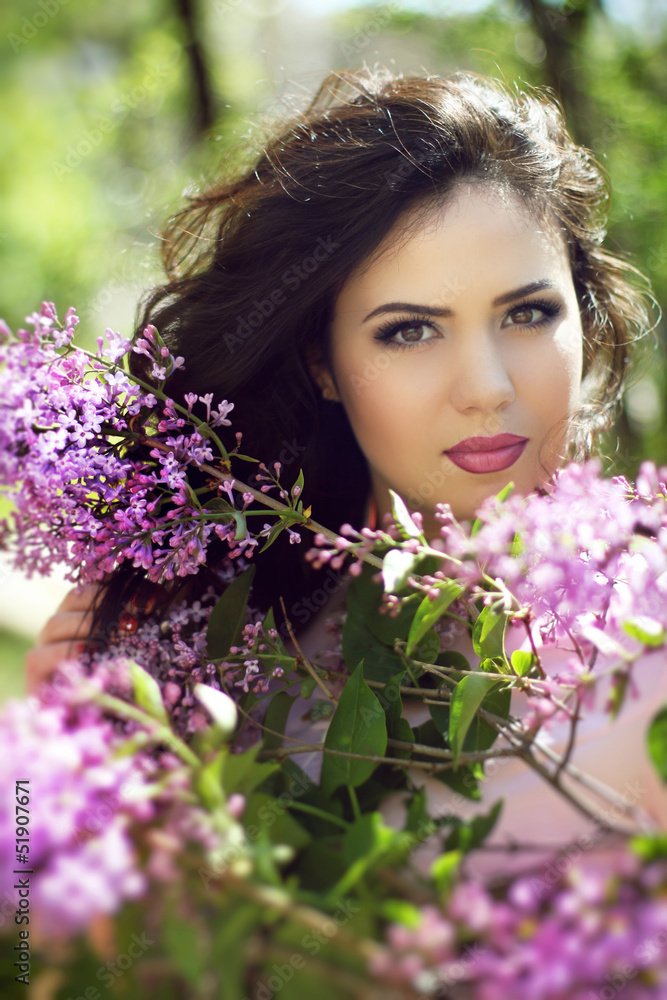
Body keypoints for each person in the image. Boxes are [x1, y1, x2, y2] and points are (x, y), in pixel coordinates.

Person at [24, 67, 666, 876]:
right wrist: (78, 786)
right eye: (409, 331)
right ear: (321, 363)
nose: (487, 388)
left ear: (584, 315)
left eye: (526, 313)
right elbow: (54, 933)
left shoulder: (647, 639)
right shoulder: (215, 653)